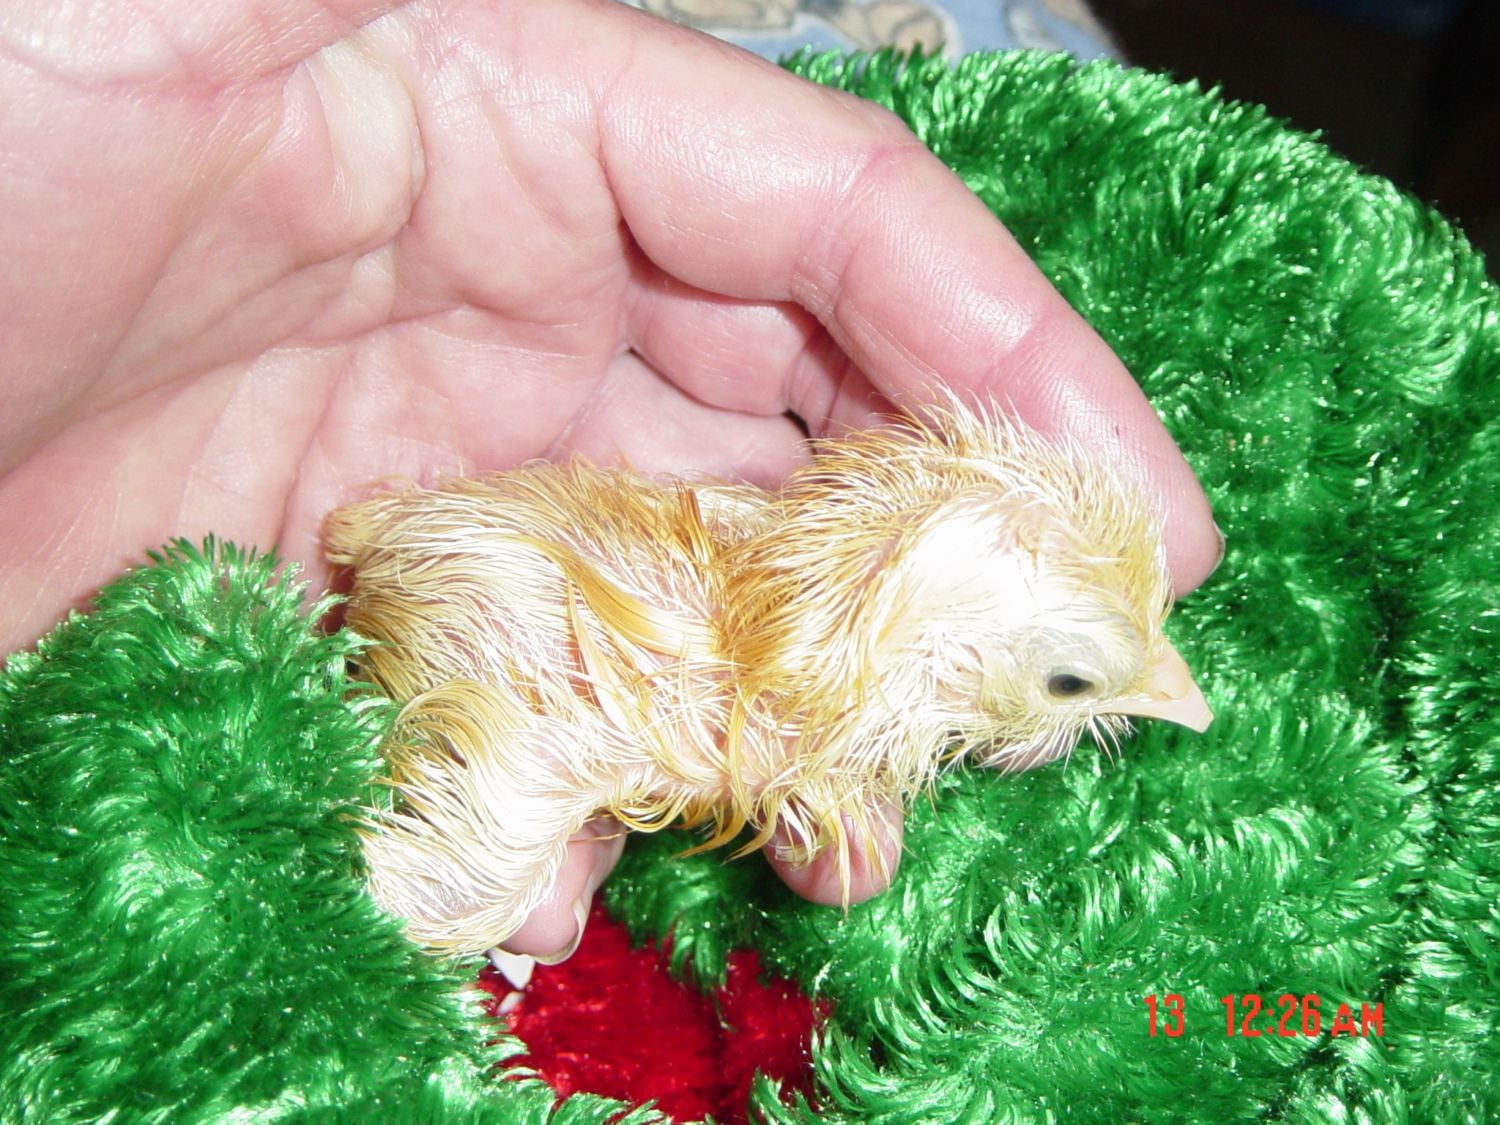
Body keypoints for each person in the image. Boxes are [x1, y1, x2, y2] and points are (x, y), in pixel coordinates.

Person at [0, 0, 1220, 961]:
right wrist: (455, 871)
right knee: (466, 888)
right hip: (491, 602)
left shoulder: (797, 657)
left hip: (484, 554)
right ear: (947, 661)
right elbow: (560, 732)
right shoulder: (757, 706)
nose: (1172, 689)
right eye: (1066, 681)